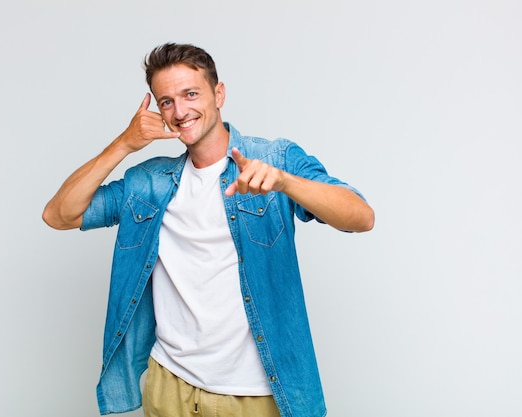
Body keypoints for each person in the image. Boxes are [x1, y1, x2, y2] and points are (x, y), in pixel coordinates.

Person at [43, 43, 374, 417]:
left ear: (219, 94)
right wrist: (124, 144)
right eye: (166, 101)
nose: (180, 111)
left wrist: (285, 182)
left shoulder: (274, 160)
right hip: (170, 387)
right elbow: (60, 214)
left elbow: (360, 216)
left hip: (256, 394)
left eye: (190, 94)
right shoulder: (148, 183)